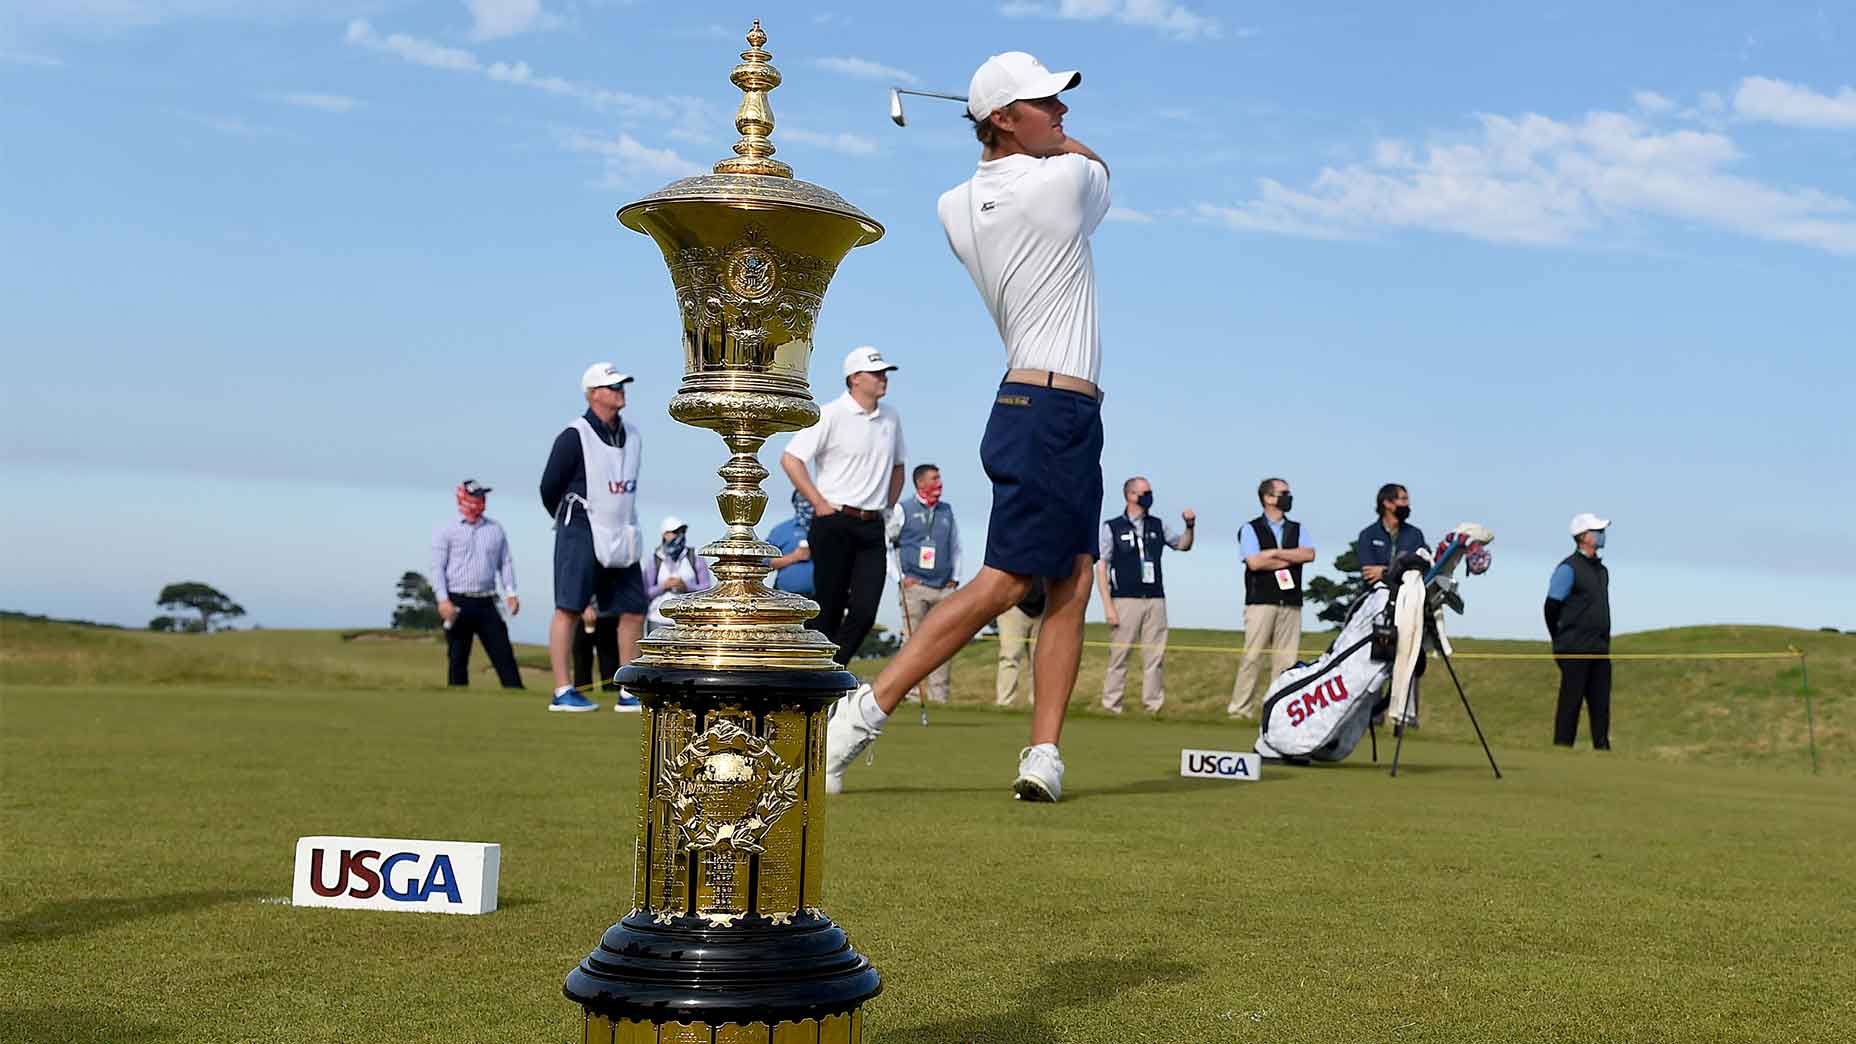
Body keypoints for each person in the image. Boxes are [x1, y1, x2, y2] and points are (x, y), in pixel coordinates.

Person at [824, 50, 1109, 801]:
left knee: (1073, 577)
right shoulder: (1063, 183)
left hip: (1053, 410)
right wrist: (1061, 146)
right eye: (1047, 103)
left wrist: (1016, 134)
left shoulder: (955, 206)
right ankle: (861, 714)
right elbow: (1097, 165)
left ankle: (1042, 754)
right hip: (1047, 411)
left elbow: (1044, 155)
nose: (1065, 115)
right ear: (1004, 120)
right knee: (1007, 579)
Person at [780, 346, 907, 665]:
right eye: (876, 373)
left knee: (865, 611)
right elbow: (791, 459)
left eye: (884, 373)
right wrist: (818, 503)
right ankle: (814, 673)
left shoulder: (890, 416)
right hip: (833, 520)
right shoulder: (830, 413)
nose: (883, 379)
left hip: (872, 524)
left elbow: (899, 467)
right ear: (854, 378)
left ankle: (832, 669)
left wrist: (888, 507)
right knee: (830, 605)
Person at [538, 362, 646, 713]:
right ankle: (562, 689)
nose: (620, 391)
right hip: (581, 526)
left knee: (633, 609)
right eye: (612, 386)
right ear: (593, 393)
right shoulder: (574, 435)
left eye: (622, 385)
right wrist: (572, 520)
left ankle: (628, 689)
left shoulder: (633, 435)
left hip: (622, 527)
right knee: (568, 607)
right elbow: (549, 487)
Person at [1095, 476, 1195, 714]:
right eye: (1144, 492)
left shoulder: (1157, 525)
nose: (1149, 496)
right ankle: (1111, 706)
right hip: (1124, 599)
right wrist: (1108, 606)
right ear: (1130, 495)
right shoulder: (1112, 527)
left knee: (1154, 656)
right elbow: (1102, 566)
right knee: (1119, 655)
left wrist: (1190, 526)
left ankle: (1153, 706)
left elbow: (1182, 544)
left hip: (1155, 599)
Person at [1228, 477, 1315, 719]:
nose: (1288, 497)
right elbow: (1254, 562)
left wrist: (1275, 553)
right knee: (1252, 657)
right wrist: (1290, 557)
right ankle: (1239, 709)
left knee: (1286, 661)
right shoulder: (1249, 528)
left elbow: (1308, 554)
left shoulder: (1298, 528)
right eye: (1283, 493)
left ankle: (1277, 712)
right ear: (1268, 498)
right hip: (1260, 601)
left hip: (1290, 601)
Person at [431, 479, 524, 689]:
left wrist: (511, 592)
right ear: (463, 498)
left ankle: (516, 694)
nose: (480, 501)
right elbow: (437, 567)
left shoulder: (495, 529)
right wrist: (442, 600)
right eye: (475, 497)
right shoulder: (446, 529)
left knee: (503, 654)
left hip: (486, 601)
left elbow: (505, 562)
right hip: (457, 601)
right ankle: (457, 703)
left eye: (482, 497)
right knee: (457, 658)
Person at [888, 464, 963, 704]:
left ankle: (939, 696)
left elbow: (956, 546)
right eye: (934, 478)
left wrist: (955, 579)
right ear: (920, 483)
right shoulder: (903, 509)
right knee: (913, 642)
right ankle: (909, 694)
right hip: (915, 586)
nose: (939, 483)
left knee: (944, 641)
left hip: (944, 587)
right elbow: (887, 544)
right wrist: (900, 579)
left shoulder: (947, 510)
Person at [1547, 513, 1613, 750]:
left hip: (1600, 648)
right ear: (1584, 536)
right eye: (1597, 531)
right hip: (1574, 647)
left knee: (1601, 705)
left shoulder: (1602, 571)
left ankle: (1603, 751)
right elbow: (1551, 606)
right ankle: (1562, 749)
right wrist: (1559, 638)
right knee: (1570, 703)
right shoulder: (1568, 568)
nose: (1602, 535)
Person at [645, 515, 716, 632]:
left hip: (688, 621)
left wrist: (686, 587)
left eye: (680, 531)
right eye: (674, 532)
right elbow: (646, 592)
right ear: (664, 534)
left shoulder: (695, 557)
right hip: (657, 620)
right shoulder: (655, 559)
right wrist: (664, 586)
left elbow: (707, 589)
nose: (678, 535)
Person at [1357, 483, 1427, 584]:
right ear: (1387, 503)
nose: (1407, 503)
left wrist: (1385, 572)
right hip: (1376, 593)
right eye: (1403, 499)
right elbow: (1369, 573)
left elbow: (1418, 567)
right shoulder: (1367, 535)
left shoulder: (1415, 534)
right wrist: (1399, 570)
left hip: (1407, 592)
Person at [994, 578, 1045, 707]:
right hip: (1013, 606)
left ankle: (1039, 707)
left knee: (1041, 661)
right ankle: (1004, 703)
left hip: (1044, 607)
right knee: (1010, 656)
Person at [767, 492, 815, 595]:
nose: (807, 505)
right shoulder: (781, 530)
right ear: (795, 503)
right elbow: (765, 563)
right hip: (786, 597)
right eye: (803, 501)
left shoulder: (826, 529)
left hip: (823, 598)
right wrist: (795, 557)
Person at [572, 600, 622, 695]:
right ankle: (582, 693)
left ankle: (612, 691)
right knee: (581, 656)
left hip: (609, 615)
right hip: (583, 614)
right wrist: (584, 606)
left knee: (609, 660)